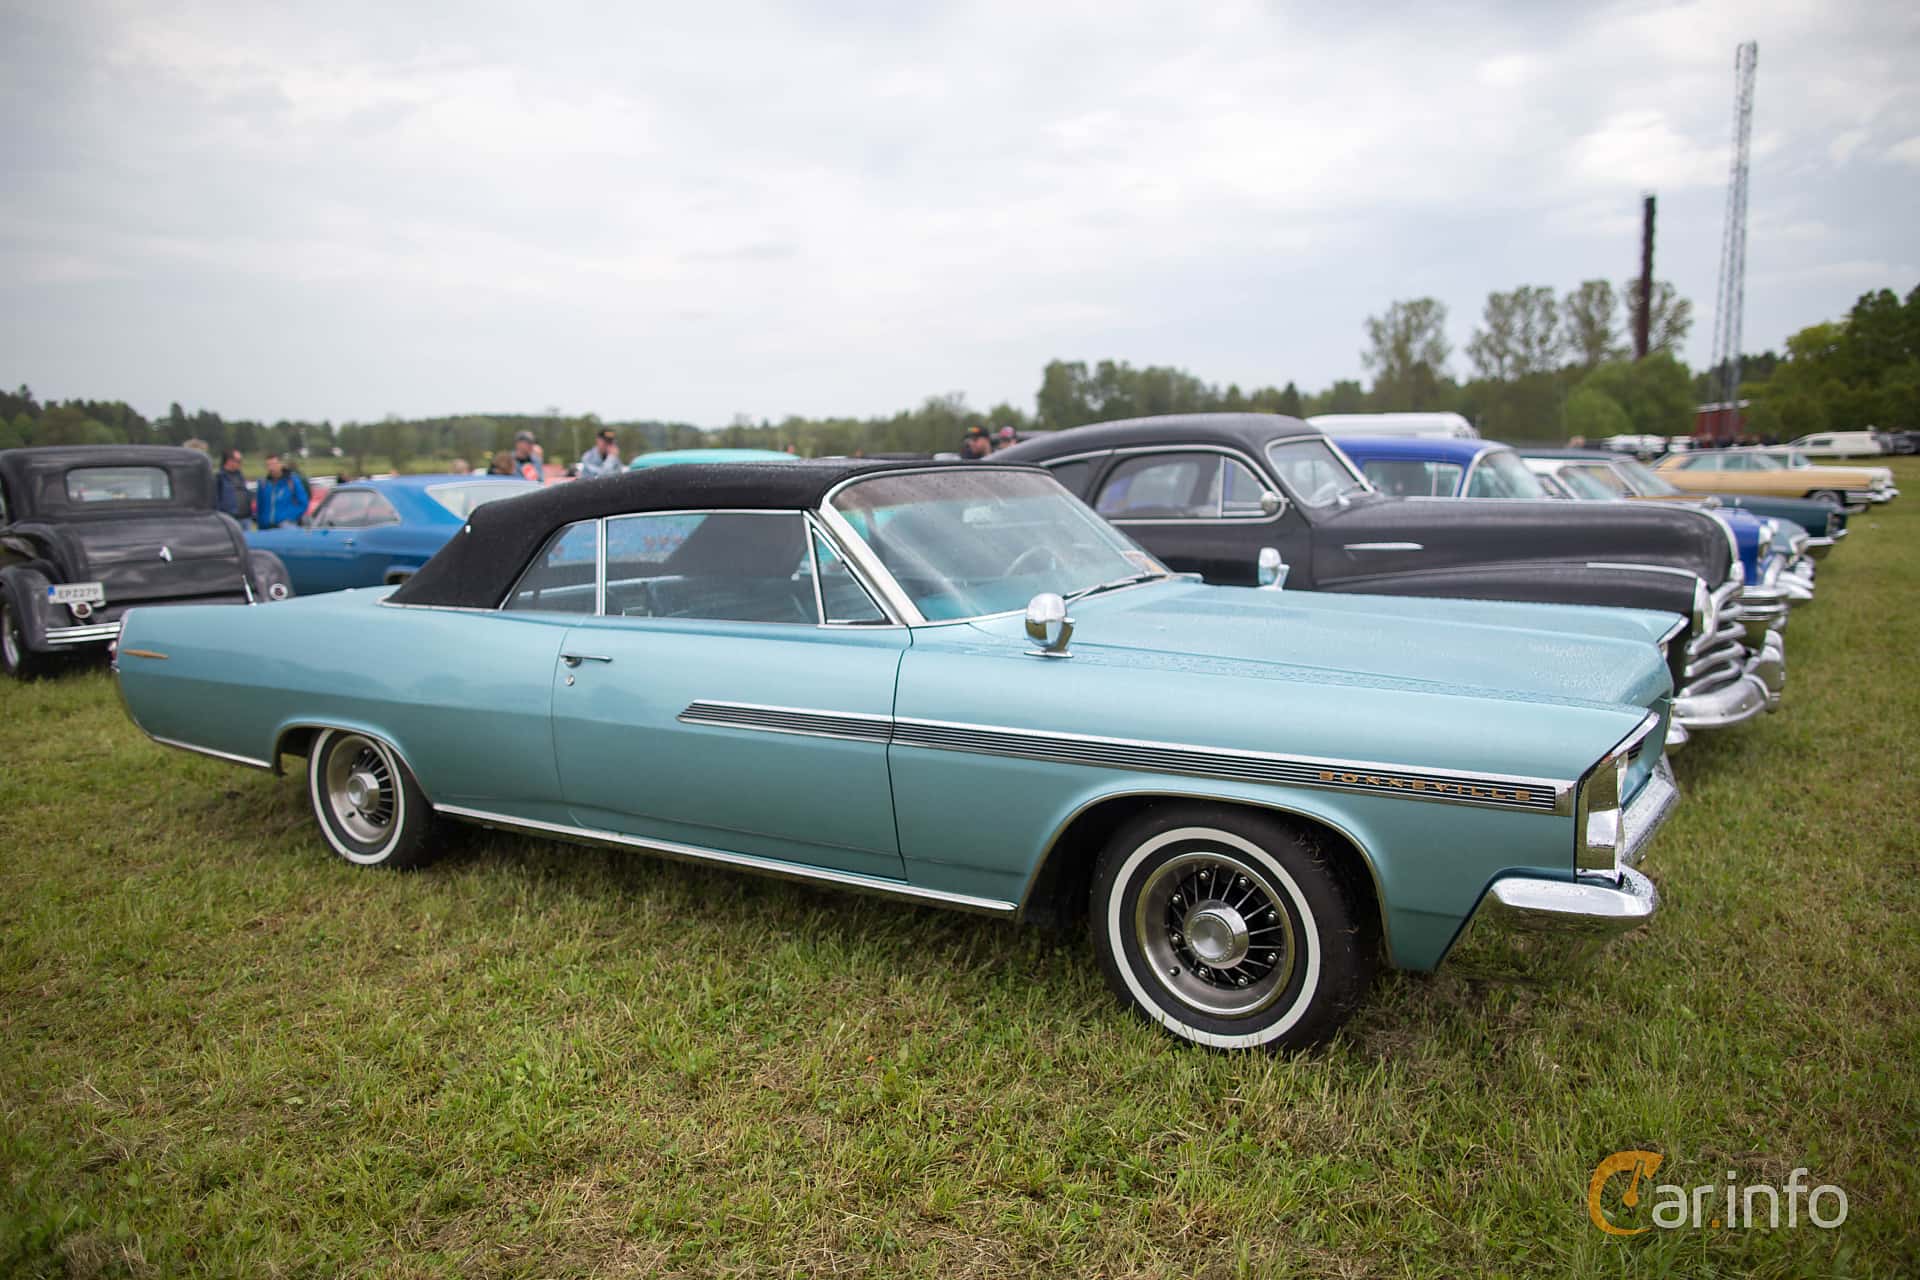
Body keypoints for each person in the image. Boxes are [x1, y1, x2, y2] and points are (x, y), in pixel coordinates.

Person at [254, 454, 309, 529]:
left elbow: (303, 503)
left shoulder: (292, 481)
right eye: (268, 465)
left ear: (280, 464)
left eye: (274, 464)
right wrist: (261, 523)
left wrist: (289, 517)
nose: (271, 468)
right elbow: (260, 507)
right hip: (266, 527)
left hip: (286, 526)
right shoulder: (263, 484)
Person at [213, 449, 251, 521]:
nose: (240, 463)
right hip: (229, 519)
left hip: (245, 518)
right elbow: (215, 501)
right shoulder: (219, 477)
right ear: (229, 461)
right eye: (239, 461)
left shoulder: (240, 476)